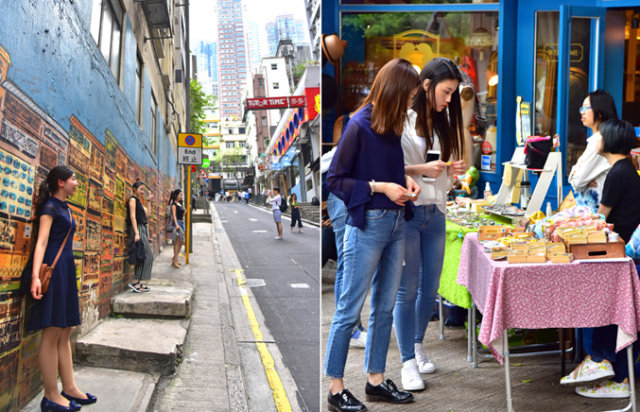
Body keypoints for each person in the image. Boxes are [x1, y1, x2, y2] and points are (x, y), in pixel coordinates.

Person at [324, 58, 422, 411]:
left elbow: (392, 170)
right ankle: (335, 390)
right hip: (367, 226)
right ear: (395, 92)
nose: (411, 103)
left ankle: (375, 381)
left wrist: (406, 182)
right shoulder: (358, 126)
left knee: (384, 308)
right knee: (349, 309)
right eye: (409, 96)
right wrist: (381, 187)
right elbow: (334, 181)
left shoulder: (391, 124)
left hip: (397, 222)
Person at [394, 57, 471, 391]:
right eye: (446, 91)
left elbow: (453, 174)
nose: (449, 99)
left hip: (437, 213)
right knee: (406, 289)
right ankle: (406, 363)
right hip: (409, 214)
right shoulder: (402, 119)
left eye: (453, 93)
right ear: (426, 86)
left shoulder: (445, 122)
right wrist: (419, 170)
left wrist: (452, 170)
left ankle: (417, 344)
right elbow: (388, 167)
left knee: (431, 287)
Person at [561, 119, 640, 399]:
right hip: (620, 252)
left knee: (604, 309)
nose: (595, 140)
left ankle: (610, 369)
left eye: (599, 136)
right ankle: (605, 366)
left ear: (610, 141)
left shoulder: (618, 172)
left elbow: (600, 219)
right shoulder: (622, 169)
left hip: (620, 254)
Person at [28, 165, 97, 411]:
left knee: (65, 331)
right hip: (54, 273)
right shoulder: (50, 208)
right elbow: (42, 242)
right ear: (60, 182)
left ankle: (69, 388)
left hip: (67, 271)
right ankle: (50, 395)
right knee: (52, 332)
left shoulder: (65, 207)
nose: (77, 182)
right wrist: (36, 276)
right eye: (73, 179)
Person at [569, 90, 619, 213]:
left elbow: (577, 182)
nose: (582, 112)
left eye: (587, 107)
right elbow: (573, 178)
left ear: (600, 112)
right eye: (582, 108)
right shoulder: (595, 140)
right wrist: (580, 177)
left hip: (596, 212)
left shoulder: (600, 141)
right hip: (589, 208)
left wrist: (580, 177)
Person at [128, 181, 153, 293]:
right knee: (149, 255)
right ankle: (135, 280)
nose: (142, 192)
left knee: (142, 255)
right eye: (141, 189)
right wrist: (137, 233)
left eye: (143, 190)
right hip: (138, 229)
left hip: (143, 228)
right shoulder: (133, 200)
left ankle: (138, 282)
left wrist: (148, 202)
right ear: (134, 189)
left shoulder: (139, 201)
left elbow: (148, 215)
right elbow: (132, 217)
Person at [170, 189, 186, 268]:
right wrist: (176, 225)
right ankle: (175, 260)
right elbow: (174, 215)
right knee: (177, 242)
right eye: (180, 195)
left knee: (182, 241)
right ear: (176, 195)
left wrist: (187, 210)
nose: (181, 196)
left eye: (182, 195)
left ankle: (174, 258)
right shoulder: (174, 205)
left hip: (182, 223)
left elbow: (182, 215)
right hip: (178, 224)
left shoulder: (180, 204)